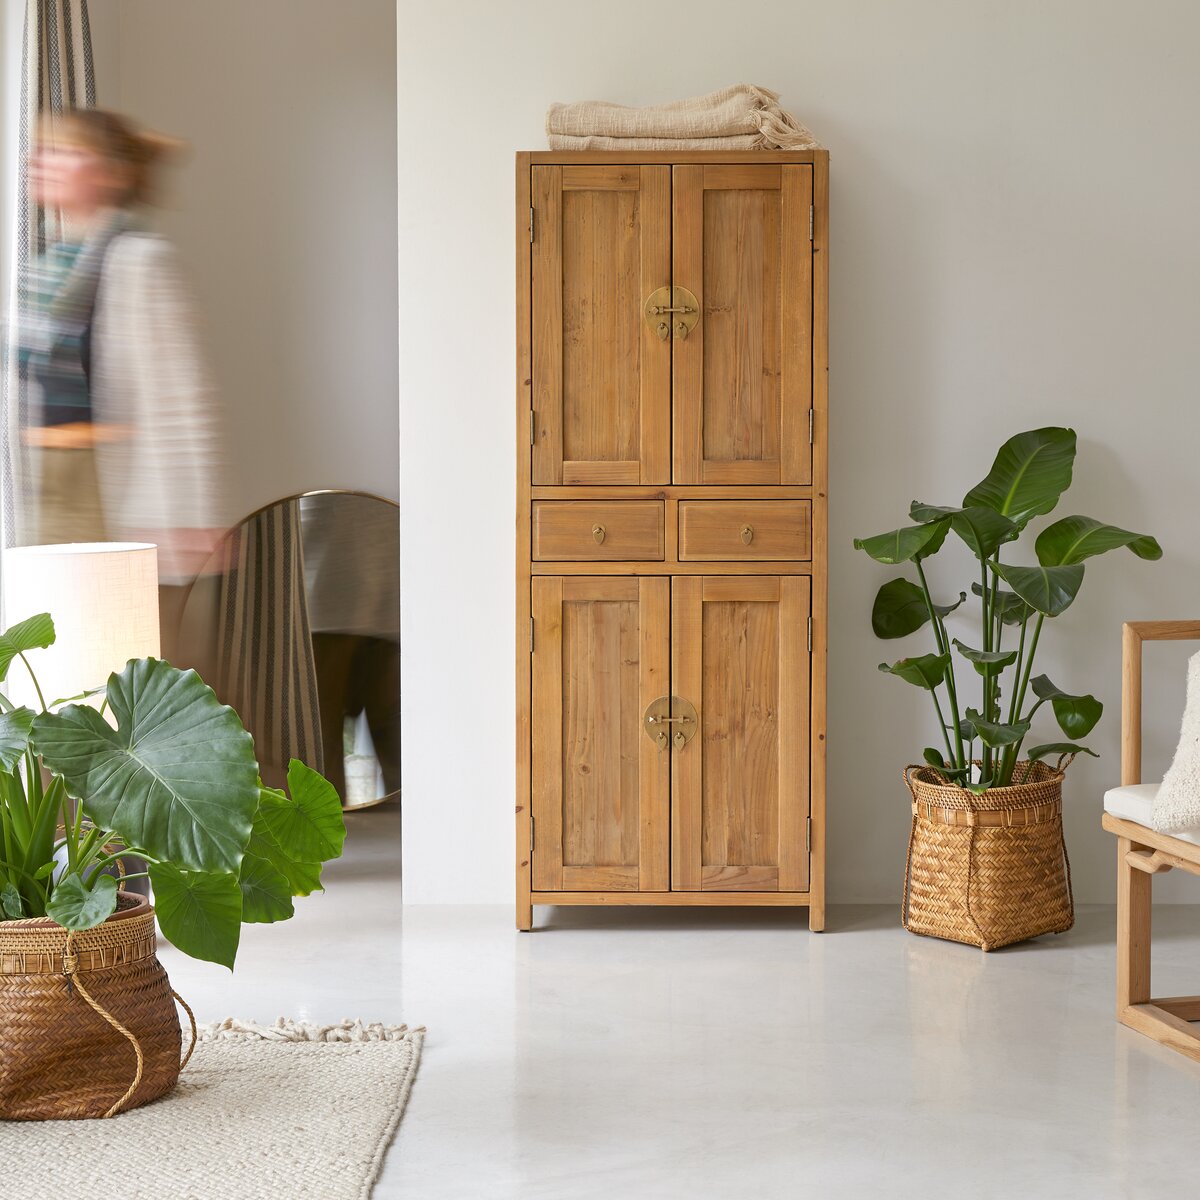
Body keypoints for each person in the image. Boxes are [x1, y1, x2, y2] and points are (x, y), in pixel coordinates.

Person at [12, 108, 224, 645]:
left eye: (65, 151)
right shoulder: (49, 265)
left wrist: (191, 514)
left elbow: (180, 401)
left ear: (109, 172)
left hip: (111, 489)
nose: (44, 162)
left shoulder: (140, 261)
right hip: (51, 486)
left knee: (129, 657)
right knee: (63, 655)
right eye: (44, 150)